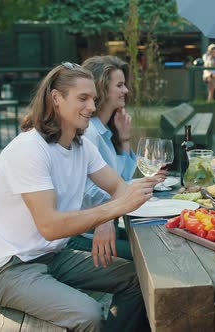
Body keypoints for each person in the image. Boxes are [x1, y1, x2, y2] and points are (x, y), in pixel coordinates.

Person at [0, 62, 160, 331]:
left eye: (94, 99)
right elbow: (50, 226)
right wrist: (110, 211)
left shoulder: (82, 145)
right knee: (88, 314)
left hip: (55, 257)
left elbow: (119, 188)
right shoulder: (29, 149)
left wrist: (108, 217)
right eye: (82, 98)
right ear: (56, 99)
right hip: (10, 270)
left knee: (138, 280)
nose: (91, 107)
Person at [66, 55, 137, 262]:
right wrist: (128, 193)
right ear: (102, 88)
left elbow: (120, 179)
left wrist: (124, 140)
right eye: (120, 85)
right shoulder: (88, 134)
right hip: (82, 236)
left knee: (154, 243)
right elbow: (87, 192)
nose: (126, 91)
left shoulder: (104, 131)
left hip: (102, 225)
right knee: (146, 258)